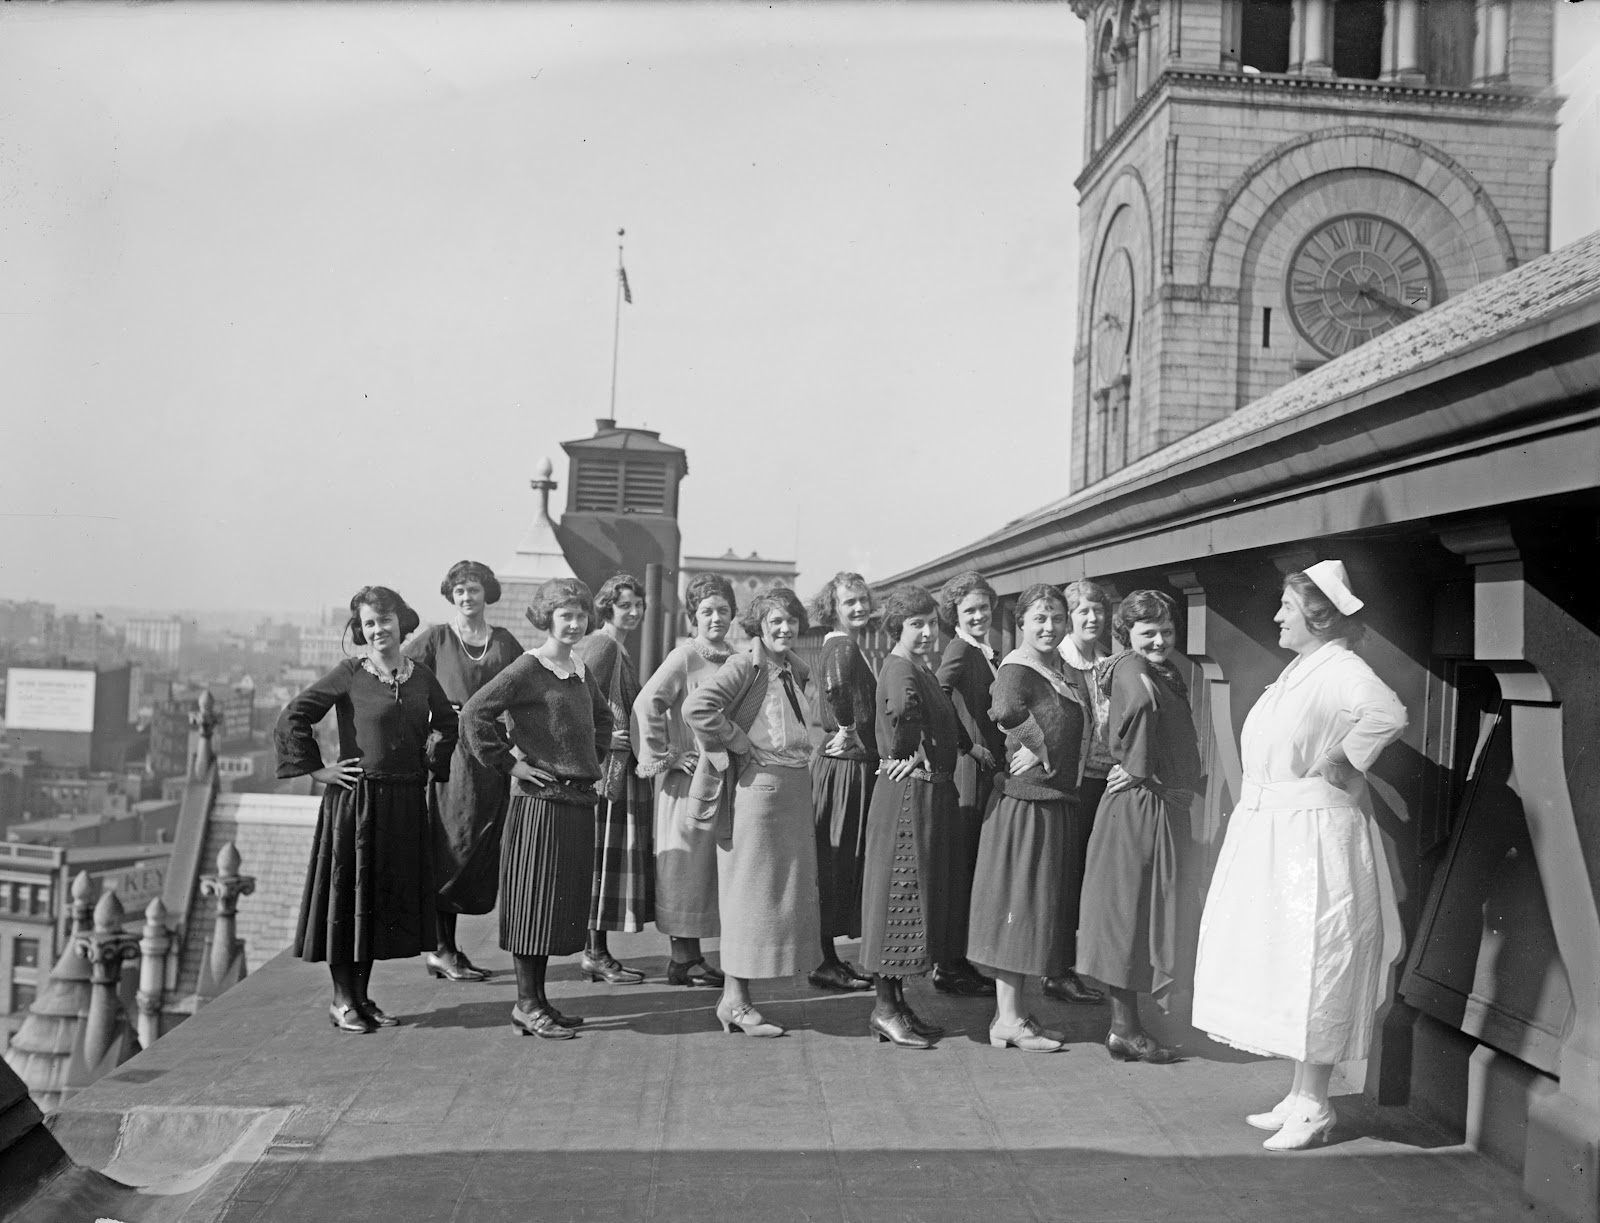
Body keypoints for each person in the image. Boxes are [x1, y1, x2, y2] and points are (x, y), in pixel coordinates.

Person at [1192, 560, 1406, 1151]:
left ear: (1317, 615)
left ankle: (1315, 1105)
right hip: (1278, 829)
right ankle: (1299, 1090)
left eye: (1287, 607)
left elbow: (1388, 713)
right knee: (1287, 959)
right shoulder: (1306, 667)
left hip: (1314, 834)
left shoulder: (1342, 669)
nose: (1277, 616)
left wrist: (1342, 757)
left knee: (1316, 956)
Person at [275, 586, 457, 1034]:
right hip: (356, 802)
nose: (378, 630)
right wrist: (317, 770)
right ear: (361, 629)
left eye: (385, 620)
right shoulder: (350, 673)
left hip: (403, 803)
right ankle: (342, 1001)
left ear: (402, 621)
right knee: (349, 898)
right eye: (369, 623)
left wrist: (430, 761)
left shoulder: (421, 676)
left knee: (377, 904)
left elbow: (448, 723)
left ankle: (363, 998)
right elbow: (293, 716)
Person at [460, 577, 612, 1039]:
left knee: (555, 907)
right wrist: (511, 765)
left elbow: (603, 719)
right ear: (546, 619)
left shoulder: (580, 667)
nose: (574, 623)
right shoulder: (529, 667)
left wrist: (591, 759)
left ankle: (540, 1001)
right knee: (532, 903)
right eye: (564, 615)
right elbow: (474, 713)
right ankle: (526, 1005)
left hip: (575, 802)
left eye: (580, 615)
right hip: (538, 808)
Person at [683, 585, 823, 1038]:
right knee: (749, 897)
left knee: (779, 900)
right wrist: (738, 742)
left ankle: (735, 1001)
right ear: (759, 627)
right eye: (775, 622)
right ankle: (736, 1003)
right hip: (759, 795)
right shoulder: (747, 663)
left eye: (791, 621)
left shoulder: (791, 669)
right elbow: (697, 707)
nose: (785, 629)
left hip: (792, 792)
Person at [1077, 589, 1203, 1064]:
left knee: (1135, 913)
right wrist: (1136, 763)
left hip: (1150, 805)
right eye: (1148, 632)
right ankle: (1124, 1028)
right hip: (1139, 807)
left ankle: (1124, 1028)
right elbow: (1141, 706)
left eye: (1167, 631)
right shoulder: (1131, 666)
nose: (1160, 640)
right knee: (1128, 916)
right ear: (1126, 634)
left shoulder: (1155, 669)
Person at [967, 583, 1092, 1052]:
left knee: (1034, 909)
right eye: (1040, 618)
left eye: (1057, 618)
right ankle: (1009, 1021)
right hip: (1025, 807)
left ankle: (1013, 1015)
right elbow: (1002, 707)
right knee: (1018, 909)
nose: (1049, 626)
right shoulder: (1019, 668)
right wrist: (1036, 746)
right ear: (1020, 622)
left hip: (1049, 801)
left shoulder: (1052, 668)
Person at [402, 560, 523, 982]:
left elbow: (525, 688)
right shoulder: (436, 638)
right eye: (459, 591)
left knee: (478, 844)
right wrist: (433, 717)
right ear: (451, 596)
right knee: (448, 844)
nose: (467, 598)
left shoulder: (505, 642)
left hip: (490, 756)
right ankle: (441, 948)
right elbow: (400, 679)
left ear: (486, 594)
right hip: (450, 757)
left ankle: (449, 947)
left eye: (473, 590)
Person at [858, 585, 968, 1049]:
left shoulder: (916, 666)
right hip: (907, 797)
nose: (926, 633)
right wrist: (910, 752)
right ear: (897, 630)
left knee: (911, 899)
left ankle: (898, 1005)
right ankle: (884, 1010)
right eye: (915, 625)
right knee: (897, 898)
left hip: (921, 797)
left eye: (930, 624)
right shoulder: (900, 666)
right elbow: (903, 709)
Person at [633, 572, 736, 987]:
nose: (716, 618)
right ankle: (681, 960)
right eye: (707, 611)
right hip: (687, 783)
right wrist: (668, 757)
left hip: (724, 779)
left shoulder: (736, 656)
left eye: (723, 610)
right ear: (694, 615)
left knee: (707, 869)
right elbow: (647, 703)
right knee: (685, 868)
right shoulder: (684, 657)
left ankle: (694, 956)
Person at [573, 573, 654, 984]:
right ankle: (594, 953)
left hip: (617, 773)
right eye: (626, 605)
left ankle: (597, 951)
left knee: (605, 864)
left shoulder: (617, 646)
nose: (635, 612)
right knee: (601, 864)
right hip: (607, 775)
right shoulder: (603, 645)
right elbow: (576, 700)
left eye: (639, 605)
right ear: (608, 607)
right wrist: (604, 738)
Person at [931, 571, 1005, 999]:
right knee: (961, 867)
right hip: (970, 771)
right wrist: (968, 745)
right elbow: (938, 694)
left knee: (971, 864)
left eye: (984, 608)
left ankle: (958, 960)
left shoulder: (984, 650)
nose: (979, 616)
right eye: (969, 610)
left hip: (985, 768)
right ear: (955, 615)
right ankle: (949, 965)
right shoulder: (960, 647)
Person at [805, 571, 878, 992]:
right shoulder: (843, 645)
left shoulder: (845, 645)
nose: (858, 608)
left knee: (839, 859)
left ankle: (829, 958)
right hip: (846, 769)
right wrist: (848, 728)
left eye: (863, 600)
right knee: (838, 859)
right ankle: (824, 961)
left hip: (849, 767)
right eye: (849, 602)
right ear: (833, 608)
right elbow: (835, 690)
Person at [1045, 578, 1114, 1006]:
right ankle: (1056, 971)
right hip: (1071, 783)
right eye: (1082, 612)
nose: (1092, 619)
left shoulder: (1110, 662)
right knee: (1064, 875)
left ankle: (1077, 966)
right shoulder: (1058, 662)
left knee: (1091, 875)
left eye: (1098, 611)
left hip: (1106, 781)